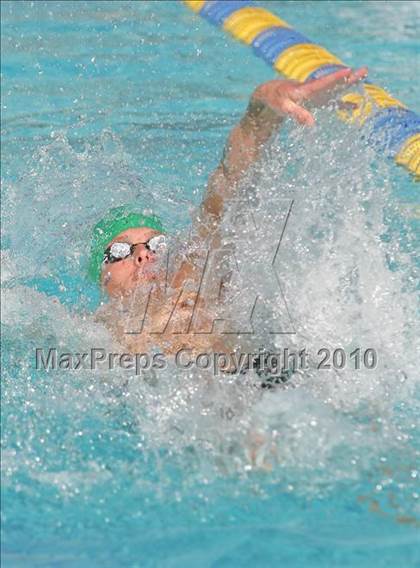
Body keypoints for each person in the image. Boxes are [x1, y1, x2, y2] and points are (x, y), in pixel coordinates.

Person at [90, 67, 368, 376]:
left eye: (156, 242)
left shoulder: (194, 280)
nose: (143, 253)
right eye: (119, 252)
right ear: (101, 277)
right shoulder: (91, 333)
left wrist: (263, 105)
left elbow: (226, 185)